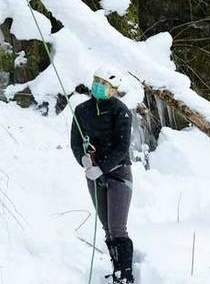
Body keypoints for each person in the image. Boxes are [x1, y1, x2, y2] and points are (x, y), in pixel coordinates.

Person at [70, 70, 135, 283]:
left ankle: (125, 274)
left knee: (117, 226)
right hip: (93, 173)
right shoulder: (81, 110)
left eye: (104, 83)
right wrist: (83, 160)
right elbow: (76, 142)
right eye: (96, 81)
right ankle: (116, 269)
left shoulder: (121, 111)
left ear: (113, 89)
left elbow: (122, 148)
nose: (98, 85)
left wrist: (103, 167)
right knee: (106, 226)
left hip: (118, 173)